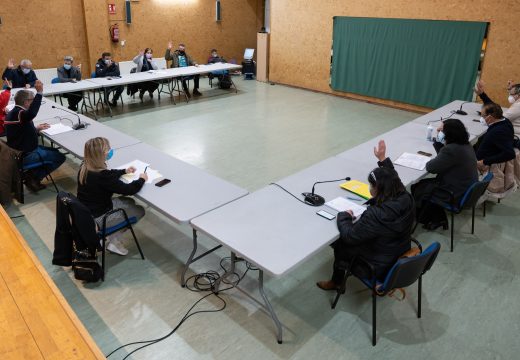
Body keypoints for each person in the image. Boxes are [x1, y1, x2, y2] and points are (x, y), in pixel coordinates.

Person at [317, 145, 415, 290]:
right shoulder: (406, 197)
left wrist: (344, 216)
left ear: (380, 189)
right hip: (398, 251)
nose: (370, 188)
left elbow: (350, 236)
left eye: (371, 185)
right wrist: (382, 159)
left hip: (376, 265)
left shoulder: (375, 215)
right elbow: (394, 180)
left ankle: (337, 282)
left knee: (340, 243)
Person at [77, 137, 147, 256]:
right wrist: (142, 179)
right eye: (108, 149)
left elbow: (109, 175)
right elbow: (129, 189)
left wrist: (123, 171)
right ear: (101, 154)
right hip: (98, 218)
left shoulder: (84, 167)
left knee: (128, 201)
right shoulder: (103, 177)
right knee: (139, 210)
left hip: (86, 213)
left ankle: (111, 238)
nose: (110, 150)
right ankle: (114, 241)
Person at [409, 120, 478, 230]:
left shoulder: (451, 149)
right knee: (422, 185)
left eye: (441, 130)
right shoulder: (465, 144)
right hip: (467, 188)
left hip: (454, 192)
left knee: (418, 187)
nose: (438, 131)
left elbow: (431, 167)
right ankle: (435, 217)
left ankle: (427, 218)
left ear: (449, 134)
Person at [4, 81, 66, 191]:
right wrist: (39, 93)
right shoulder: (20, 113)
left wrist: (35, 129)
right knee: (60, 157)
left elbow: (20, 130)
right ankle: (33, 177)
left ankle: (31, 174)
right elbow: (32, 114)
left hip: (19, 151)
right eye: (32, 101)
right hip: (23, 155)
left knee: (55, 152)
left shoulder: (14, 112)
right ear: (26, 102)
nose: (33, 104)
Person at [475, 102, 516, 172]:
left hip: (483, 165)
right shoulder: (505, 121)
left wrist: (484, 162)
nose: (481, 118)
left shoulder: (498, 131)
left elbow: (510, 154)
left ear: (490, 117)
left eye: (483, 116)